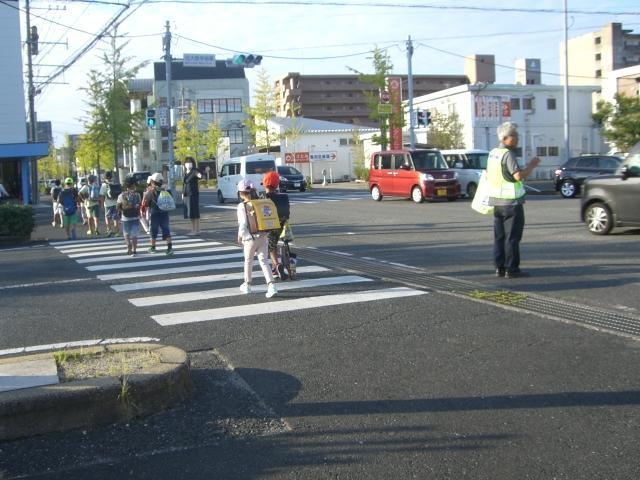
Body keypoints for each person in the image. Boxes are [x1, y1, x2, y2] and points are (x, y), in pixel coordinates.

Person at [487, 122, 540, 279]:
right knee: (512, 238)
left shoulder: (493, 153)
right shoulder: (508, 154)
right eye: (514, 136)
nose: (517, 139)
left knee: (499, 237)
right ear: (504, 138)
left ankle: (500, 267)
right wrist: (532, 165)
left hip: (497, 201)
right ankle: (512, 269)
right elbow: (518, 176)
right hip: (511, 202)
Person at [237, 179, 277, 298]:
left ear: (241, 193)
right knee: (264, 261)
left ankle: (247, 285)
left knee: (248, 261)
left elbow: (243, 223)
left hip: (250, 238)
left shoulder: (242, 206)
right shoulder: (260, 203)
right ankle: (271, 286)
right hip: (263, 236)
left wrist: (240, 236)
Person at [262, 171, 290, 280]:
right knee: (272, 244)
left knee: (270, 246)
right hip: (282, 226)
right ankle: (275, 269)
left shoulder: (262, 198)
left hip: (268, 226)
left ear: (265, 184)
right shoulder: (284, 197)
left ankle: (276, 265)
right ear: (277, 184)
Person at [143, 172, 173, 255]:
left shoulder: (151, 192)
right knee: (166, 230)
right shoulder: (167, 190)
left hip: (154, 214)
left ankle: (153, 247)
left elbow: (147, 204)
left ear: (152, 182)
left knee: (153, 231)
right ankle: (169, 248)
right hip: (165, 213)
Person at [117, 176, 142, 257]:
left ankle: (128, 245)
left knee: (126, 234)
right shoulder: (137, 194)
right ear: (134, 185)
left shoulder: (121, 195)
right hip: (135, 216)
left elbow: (118, 206)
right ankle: (134, 250)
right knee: (134, 235)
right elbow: (140, 205)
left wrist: (122, 209)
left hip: (125, 217)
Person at [181, 156, 202, 235]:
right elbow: (184, 184)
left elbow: (199, 175)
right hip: (187, 194)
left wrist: (200, 175)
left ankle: (195, 230)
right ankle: (195, 229)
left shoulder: (194, 171)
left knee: (194, 213)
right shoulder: (185, 172)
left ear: (193, 163)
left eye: (190, 162)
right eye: (187, 162)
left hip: (193, 194)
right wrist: (182, 193)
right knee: (190, 213)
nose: (188, 164)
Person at [100, 171, 122, 237]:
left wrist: (101, 205)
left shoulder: (104, 185)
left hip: (108, 204)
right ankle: (117, 232)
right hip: (116, 204)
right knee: (115, 218)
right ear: (111, 176)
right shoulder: (115, 184)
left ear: (104, 177)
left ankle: (109, 231)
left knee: (107, 217)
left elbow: (102, 196)